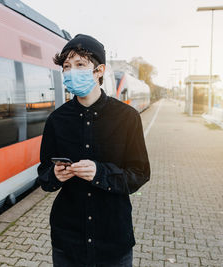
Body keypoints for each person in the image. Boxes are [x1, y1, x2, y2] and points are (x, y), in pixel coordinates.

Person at [36, 34, 150, 266]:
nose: (71, 72)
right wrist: (54, 175)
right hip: (68, 241)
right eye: (66, 67)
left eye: (80, 65)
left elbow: (140, 173)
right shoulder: (57, 120)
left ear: (99, 71)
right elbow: (44, 175)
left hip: (112, 241)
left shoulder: (127, 118)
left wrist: (101, 173)